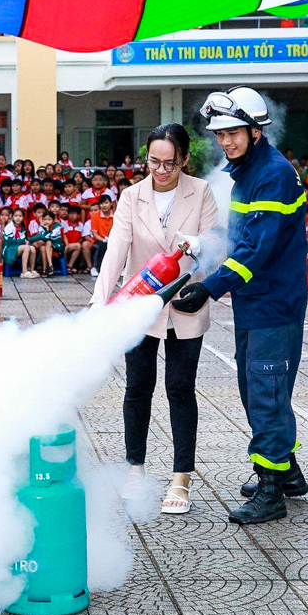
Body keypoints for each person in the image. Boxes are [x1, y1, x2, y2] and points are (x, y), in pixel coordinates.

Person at [173, 87, 308, 525]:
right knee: (257, 388)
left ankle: (270, 493)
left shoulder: (272, 173)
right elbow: (236, 235)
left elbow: (256, 248)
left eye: (232, 133)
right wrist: (203, 246)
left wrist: (212, 287)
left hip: (274, 300)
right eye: (219, 134)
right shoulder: (247, 172)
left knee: (265, 391)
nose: (225, 142)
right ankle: (286, 473)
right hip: (257, 300)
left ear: (254, 130)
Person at [92, 124, 218, 514]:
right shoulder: (132, 196)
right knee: (137, 387)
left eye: (170, 163)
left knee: (180, 388)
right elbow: (117, 248)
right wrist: (101, 302)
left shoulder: (201, 191)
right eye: (153, 162)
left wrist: (199, 246)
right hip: (139, 303)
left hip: (184, 302)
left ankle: (182, 478)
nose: (161, 170)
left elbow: (215, 241)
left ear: (184, 160)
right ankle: (135, 469)